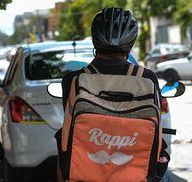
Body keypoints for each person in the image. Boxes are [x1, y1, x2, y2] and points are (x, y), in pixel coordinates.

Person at [60, 7, 171, 181]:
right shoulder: (147, 77)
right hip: (137, 175)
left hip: (82, 173)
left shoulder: (73, 79)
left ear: (95, 40)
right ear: (131, 41)